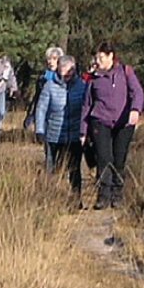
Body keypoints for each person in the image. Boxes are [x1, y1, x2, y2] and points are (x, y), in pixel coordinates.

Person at [79, 42, 144, 209]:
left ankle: (117, 196)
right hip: (100, 121)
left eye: (101, 57)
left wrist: (135, 110)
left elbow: (137, 92)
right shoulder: (93, 78)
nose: (97, 60)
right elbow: (87, 104)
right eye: (96, 57)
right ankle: (103, 196)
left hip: (124, 124)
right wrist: (83, 131)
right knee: (103, 159)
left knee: (119, 159)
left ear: (110, 56)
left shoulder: (126, 72)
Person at [33, 54, 90, 204]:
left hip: (74, 135)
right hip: (53, 135)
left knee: (74, 169)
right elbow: (41, 109)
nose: (67, 73)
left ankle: (76, 199)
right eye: (63, 69)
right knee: (52, 168)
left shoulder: (82, 86)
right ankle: (49, 199)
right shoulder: (49, 86)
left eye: (69, 70)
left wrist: (87, 131)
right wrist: (39, 129)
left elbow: (87, 108)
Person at [23, 46, 65, 133]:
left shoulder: (66, 77)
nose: (51, 62)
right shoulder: (43, 78)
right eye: (49, 59)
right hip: (45, 116)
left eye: (54, 59)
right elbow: (37, 99)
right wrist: (30, 115)